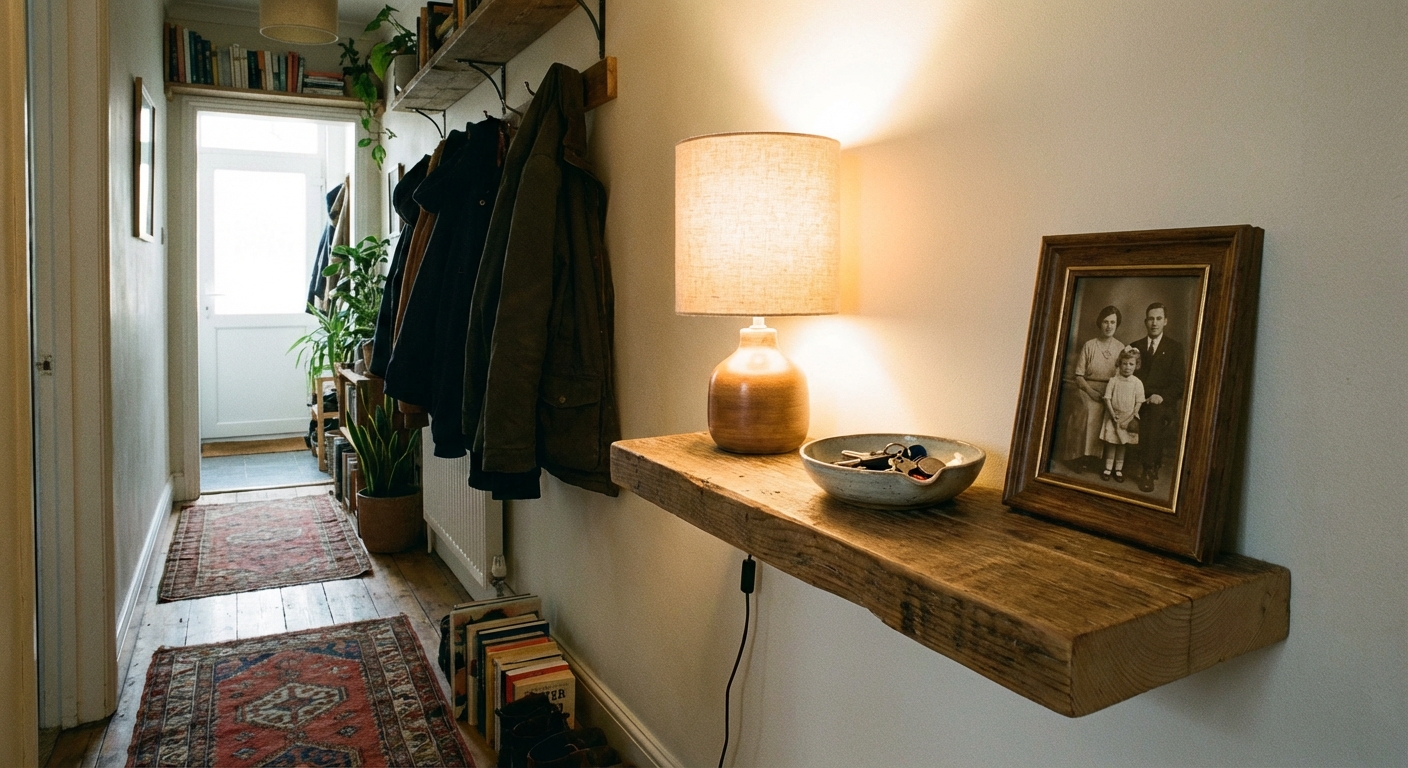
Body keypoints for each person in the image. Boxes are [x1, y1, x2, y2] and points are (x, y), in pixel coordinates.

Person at [1062, 305, 1128, 471]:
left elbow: (1122, 377)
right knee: (1086, 410)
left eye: (1113, 322)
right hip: (1086, 389)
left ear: (1117, 324)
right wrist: (1090, 392)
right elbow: (1078, 376)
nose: (1109, 326)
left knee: (1111, 412)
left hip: (1110, 392)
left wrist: (1110, 395)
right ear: (1100, 323)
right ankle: (1078, 457)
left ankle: (1096, 459)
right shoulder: (1090, 345)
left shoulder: (1121, 348)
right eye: (1105, 322)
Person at [1130, 302, 1186, 493]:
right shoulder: (1135, 347)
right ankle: (1113, 463)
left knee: (1153, 414)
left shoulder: (1175, 348)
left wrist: (1161, 397)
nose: (1154, 323)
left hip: (1161, 402)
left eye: (1159, 318)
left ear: (1165, 321)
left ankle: (1148, 469)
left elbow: (1179, 383)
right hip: (1136, 399)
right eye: (1151, 319)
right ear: (1145, 322)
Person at [1099, 347, 1145, 482]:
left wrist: (1129, 419)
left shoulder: (1137, 383)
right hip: (1114, 417)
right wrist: (1113, 416)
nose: (1127, 367)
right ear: (1119, 363)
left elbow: (1138, 403)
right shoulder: (1114, 380)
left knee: (1122, 445)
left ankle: (1118, 470)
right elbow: (1107, 398)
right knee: (1112, 444)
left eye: (1131, 364)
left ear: (1136, 365)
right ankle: (1108, 468)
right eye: (1124, 363)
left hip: (1127, 419)